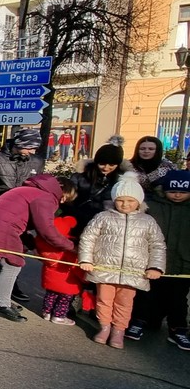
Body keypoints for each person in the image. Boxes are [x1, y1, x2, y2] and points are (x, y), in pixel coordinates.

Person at [0, 175, 76, 323]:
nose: (62, 201)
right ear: (62, 190)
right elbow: (47, 230)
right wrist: (71, 246)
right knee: (12, 264)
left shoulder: (31, 190)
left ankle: (0, 299)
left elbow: (22, 221)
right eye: (65, 197)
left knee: (4, 264)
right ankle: (2, 305)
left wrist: (32, 244)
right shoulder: (46, 197)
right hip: (4, 227)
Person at [79, 178, 166, 349]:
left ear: (139, 201)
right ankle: (104, 327)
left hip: (132, 272)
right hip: (105, 268)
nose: (125, 204)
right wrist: (86, 259)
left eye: (130, 201)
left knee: (124, 303)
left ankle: (118, 330)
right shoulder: (103, 217)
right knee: (104, 300)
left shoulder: (147, 221)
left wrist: (155, 266)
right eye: (120, 200)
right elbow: (88, 238)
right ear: (114, 200)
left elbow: (157, 245)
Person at [0, 128, 45, 302]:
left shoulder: (37, 161)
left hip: (22, 214)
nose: (32, 152)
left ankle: (11, 284)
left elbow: (37, 187)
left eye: (35, 148)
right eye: (29, 147)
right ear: (19, 144)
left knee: (16, 251)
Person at [127, 170, 190, 350]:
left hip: (183, 263)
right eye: (172, 191)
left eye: (183, 192)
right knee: (146, 294)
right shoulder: (152, 206)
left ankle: (178, 329)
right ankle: (138, 321)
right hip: (152, 261)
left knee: (178, 299)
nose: (177, 195)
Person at [34, 213, 84, 326]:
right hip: (67, 281)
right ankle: (58, 316)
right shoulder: (70, 247)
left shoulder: (48, 245)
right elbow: (75, 267)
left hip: (51, 278)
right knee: (64, 300)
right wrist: (83, 278)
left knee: (50, 295)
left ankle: (46, 312)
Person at [70, 143, 126, 233]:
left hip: (106, 225)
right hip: (77, 222)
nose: (106, 168)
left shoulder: (122, 180)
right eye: (102, 164)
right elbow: (68, 198)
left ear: (118, 165)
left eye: (111, 165)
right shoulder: (80, 176)